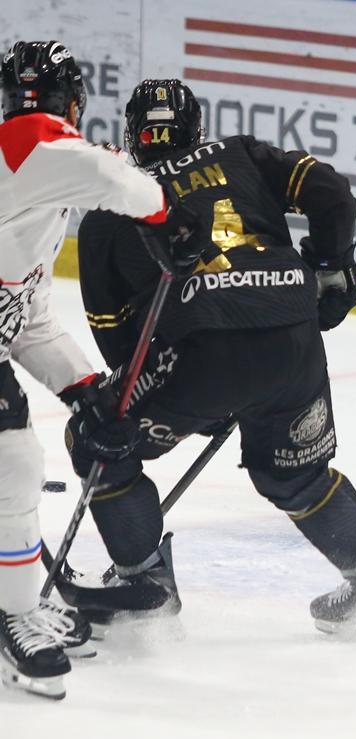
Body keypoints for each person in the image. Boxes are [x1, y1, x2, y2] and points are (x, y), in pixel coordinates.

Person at [69, 78, 356, 635]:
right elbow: (333, 193)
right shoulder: (241, 154)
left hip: (200, 350)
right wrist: (331, 267)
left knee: (97, 439)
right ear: (196, 128)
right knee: (296, 477)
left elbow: (119, 341)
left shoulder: (111, 206)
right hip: (292, 333)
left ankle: (146, 585)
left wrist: (189, 399)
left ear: (133, 135)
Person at [0, 41, 184, 700]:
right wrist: (167, 214)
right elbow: (117, 180)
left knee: (12, 467)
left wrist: (83, 388)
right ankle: (14, 614)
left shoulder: (30, 188)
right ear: (75, 103)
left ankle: (15, 599)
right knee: (15, 461)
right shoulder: (29, 146)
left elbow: (26, 319)